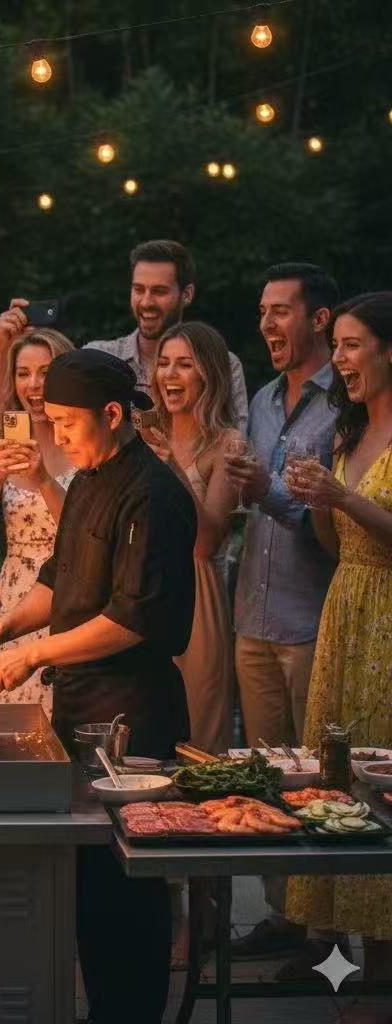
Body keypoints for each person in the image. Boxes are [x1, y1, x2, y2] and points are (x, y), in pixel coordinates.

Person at [0, 348, 196, 1024]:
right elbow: (59, 579)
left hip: (136, 716)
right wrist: (0, 631)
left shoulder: (154, 493)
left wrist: (35, 654)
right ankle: (103, 1011)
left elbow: (130, 621)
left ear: (112, 415)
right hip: (81, 709)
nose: (55, 435)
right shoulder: (90, 478)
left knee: (131, 881)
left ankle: (134, 1013)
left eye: (66, 422)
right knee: (92, 879)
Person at [225, 262, 340, 961]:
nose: (267, 323)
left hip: (311, 612)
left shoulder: (344, 404)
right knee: (266, 771)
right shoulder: (263, 399)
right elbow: (259, 496)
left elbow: (322, 510)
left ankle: (328, 928)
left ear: (319, 319)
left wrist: (266, 490)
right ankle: (282, 913)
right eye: (263, 310)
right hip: (253, 613)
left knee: (320, 779)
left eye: (281, 311)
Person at [283, 293, 392, 1005]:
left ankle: (382, 977)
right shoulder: (350, 435)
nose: (342, 360)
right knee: (339, 784)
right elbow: (335, 544)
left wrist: (343, 498)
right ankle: (345, 978)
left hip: (386, 620)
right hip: (343, 614)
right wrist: (322, 501)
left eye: (353, 346)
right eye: (341, 346)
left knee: (384, 791)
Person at [0, 240, 248, 435]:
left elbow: (233, 449)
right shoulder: (100, 356)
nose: (146, 301)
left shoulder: (221, 363)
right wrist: (2, 348)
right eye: (139, 289)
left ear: (186, 295)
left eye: (159, 291)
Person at [0, 308, 74, 719]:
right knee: (18, 719)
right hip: (15, 596)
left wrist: (43, 478)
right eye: (23, 373)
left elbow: (83, 533)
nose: (34, 384)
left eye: (45, 372)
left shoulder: (85, 441)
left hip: (74, 592)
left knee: (68, 718)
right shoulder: (5, 441)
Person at [144, 322, 241, 753]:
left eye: (185, 365)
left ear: (209, 375)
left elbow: (207, 543)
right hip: (143, 587)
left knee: (199, 730)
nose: (170, 375)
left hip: (196, 593)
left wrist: (172, 469)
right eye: (164, 363)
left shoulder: (228, 445)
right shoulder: (143, 433)